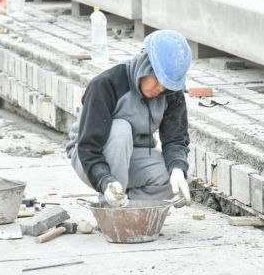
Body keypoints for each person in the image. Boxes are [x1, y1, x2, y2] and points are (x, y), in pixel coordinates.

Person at [66, 29, 193, 207]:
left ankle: (127, 207)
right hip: (90, 159)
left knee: (178, 173)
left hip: (132, 154)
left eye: (167, 85)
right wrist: (105, 181)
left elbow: (176, 140)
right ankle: (110, 207)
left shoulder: (171, 94)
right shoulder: (106, 85)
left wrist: (178, 168)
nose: (160, 88)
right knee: (121, 129)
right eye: (157, 79)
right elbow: (88, 148)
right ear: (145, 65)